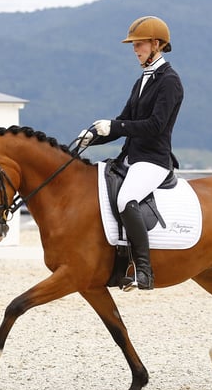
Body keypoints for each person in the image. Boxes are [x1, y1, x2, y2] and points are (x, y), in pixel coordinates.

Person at [78, 15, 184, 291]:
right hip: (130, 158)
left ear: (156, 44)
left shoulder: (170, 81)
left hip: (153, 160)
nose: (135, 50)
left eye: (140, 45)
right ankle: (117, 262)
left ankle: (144, 271)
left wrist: (115, 125)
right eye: (134, 45)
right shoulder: (141, 82)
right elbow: (124, 122)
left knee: (126, 198)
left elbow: (155, 126)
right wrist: (94, 136)